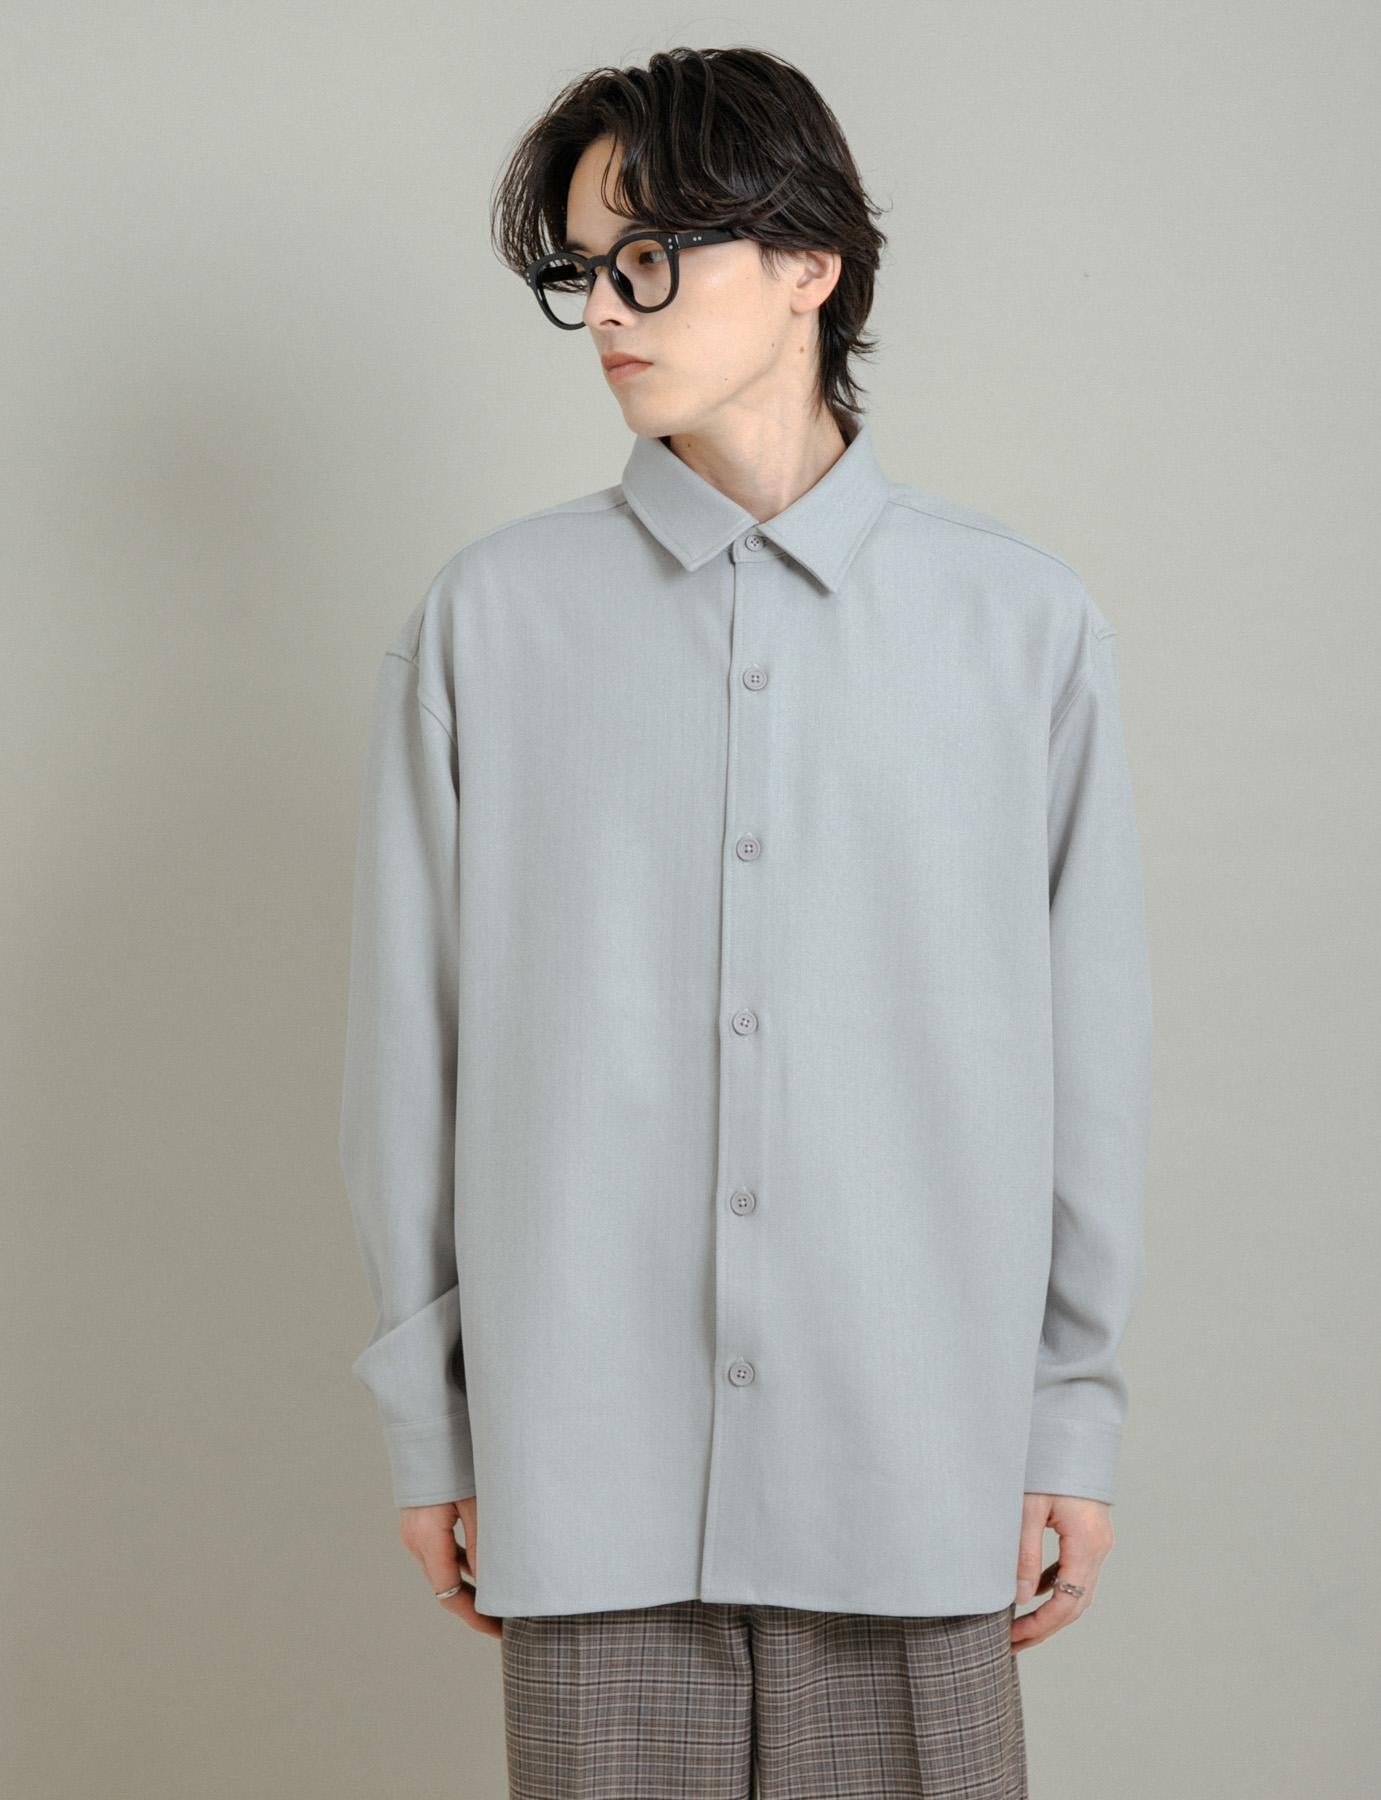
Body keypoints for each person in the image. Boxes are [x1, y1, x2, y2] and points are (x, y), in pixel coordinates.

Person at [338, 43, 1152, 1800]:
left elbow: (1089, 1059)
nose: (605, 313)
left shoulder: (1020, 630)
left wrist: (1066, 1411)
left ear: (809, 263)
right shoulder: (491, 624)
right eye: (582, 272)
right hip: (585, 1470)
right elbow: (413, 1048)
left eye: (648, 259)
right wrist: (433, 1423)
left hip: (916, 1461)